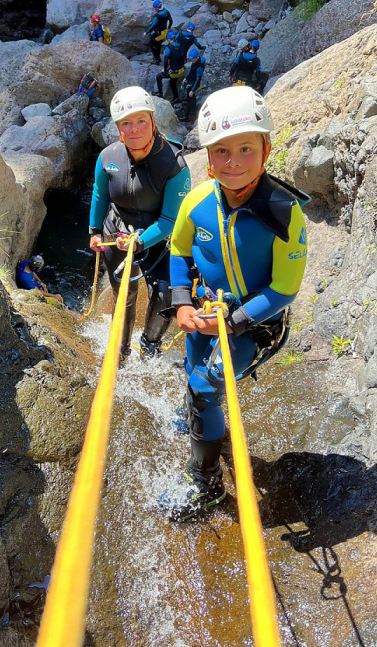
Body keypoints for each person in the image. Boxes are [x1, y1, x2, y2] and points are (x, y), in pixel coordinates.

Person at [159, 86, 310, 521]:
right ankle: (200, 412)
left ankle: (204, 486)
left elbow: (285, 289)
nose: (234, 162)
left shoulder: (283, 212)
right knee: (193, 374)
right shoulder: (197, 201)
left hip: (257, 325)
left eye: (246, 148)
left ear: (265, 150)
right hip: (206, 310)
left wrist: (236, 320)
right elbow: (179, 251)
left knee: (205, 386)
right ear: (208, 156)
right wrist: (182, 302)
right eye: (221, 151)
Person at [88, 86, 191, 359]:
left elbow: (170, 220)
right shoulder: (108, 157)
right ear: (118, 128)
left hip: (158, 238)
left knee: (165, 294)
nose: (134, 129)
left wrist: (141, 241)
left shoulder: (174, 165)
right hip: (118, 231)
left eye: (141, 121)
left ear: (153, 122)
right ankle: (120, 352)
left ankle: (149, 345)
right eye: (126, 123)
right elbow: (99, 194)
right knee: (124, 294)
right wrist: (96, 231)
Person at [155, 31, 186, 102]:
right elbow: (183, 57)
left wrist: (165, 70)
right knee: (173, 82)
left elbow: (166, 61)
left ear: (168, 39)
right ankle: (176, 97)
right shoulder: (179, 46)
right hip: (181, 70)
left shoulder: (168, 48)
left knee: (159, 76)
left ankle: (160, 93)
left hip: (174, 72)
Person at [180, 46, 206, 123]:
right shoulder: (195, 62)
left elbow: (198, 79)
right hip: (191, 80)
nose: (192, 61)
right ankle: (191, 111)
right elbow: (191, 71)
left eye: (193, 59)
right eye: (191, 60)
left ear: (197, 57)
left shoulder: (199, 67)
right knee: (190, 97)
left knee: (190, 97)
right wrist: (186, 78)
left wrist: (192, 90)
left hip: (195, 83)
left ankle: (187, 115)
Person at [144, 0, 173, 64]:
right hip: (164, 32)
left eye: (155, 8)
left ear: (157, 8)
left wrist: (147, 32)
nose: (154, 9)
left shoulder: (158, 16)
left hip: (158, 33)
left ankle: (156, 59)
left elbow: (153, 25)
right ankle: (158, 57)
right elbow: (171, 20)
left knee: (153, 44)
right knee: (159, 44)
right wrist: (168, 28)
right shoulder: (167, 12)